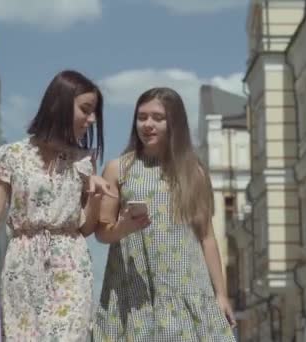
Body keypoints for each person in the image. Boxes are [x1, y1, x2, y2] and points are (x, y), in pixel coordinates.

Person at [0, 70, 116, 341]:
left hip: (70, 265)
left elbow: (84, 228)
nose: (91, 119)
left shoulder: (84, 160)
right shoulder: (13, 156)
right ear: (60, 104)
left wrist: (94, 197)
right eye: (85, 109)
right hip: (22, 265)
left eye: (94, 112)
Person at [93, 87, 236, 341]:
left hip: (185, 285)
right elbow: (102, 233)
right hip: (133, 289)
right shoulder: (118, 170)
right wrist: (123, 227)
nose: (147, 124)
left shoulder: (193, 172)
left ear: (175, 122)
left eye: (158, 118)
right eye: (142, 117)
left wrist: (221, 295)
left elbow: (207, 238)